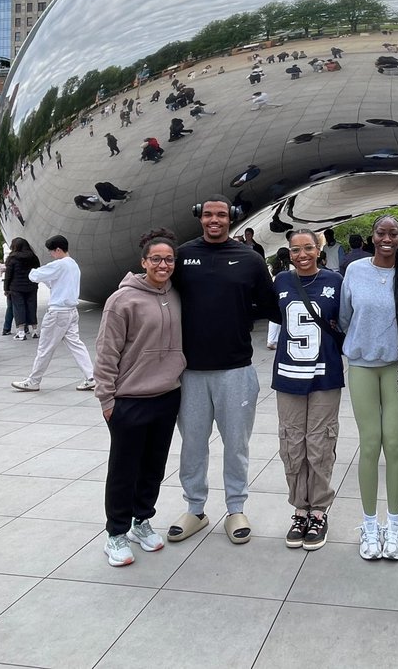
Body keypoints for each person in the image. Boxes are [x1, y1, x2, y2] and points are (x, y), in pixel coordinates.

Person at [167, 197, 280, 547]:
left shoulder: (250, 259)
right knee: (193, 445)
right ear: (199, 216)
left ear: (230, 218)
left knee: (236, 445)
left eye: (221, 214)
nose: (214, 220)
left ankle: (236, 508)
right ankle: (195, 509)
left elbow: (271, 306)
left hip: (236, 370)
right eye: (208, 214)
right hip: (191, 371)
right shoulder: (182, 256)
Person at [339, 215, 398, 561]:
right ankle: (369, 524)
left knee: (394, 444)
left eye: (393, 233)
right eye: (381, 232)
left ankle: (394, 524)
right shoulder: (356, 271)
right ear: (372, 236)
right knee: (369, 444)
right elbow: (346, 317)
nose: (386, 238)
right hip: (362, 365)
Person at [95, 230, 186, 567]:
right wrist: (107, 400)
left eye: (169, 259)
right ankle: (116, 533)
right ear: (144, 261)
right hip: (129, 399)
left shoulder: (175, 294)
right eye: (156, 259)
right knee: (124, 469)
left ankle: (141, 520)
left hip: (167, 395)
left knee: (152, 466)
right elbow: (106, 352)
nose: (163, 264)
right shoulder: (122, 300)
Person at [272, 229, 345, 552]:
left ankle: (318, 509)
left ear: (318, 249)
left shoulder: (335, 282)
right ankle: (299, 508)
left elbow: (347, 321)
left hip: (324, 375)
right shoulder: (281, 283)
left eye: (307, 248)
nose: (301, 255)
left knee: (320, 442)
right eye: (294, 250)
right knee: (291, 442)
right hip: (288, 374)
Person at [12, 236, 96, 392]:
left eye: (52, 251)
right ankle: (91, 377)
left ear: (58, 250)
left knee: (45, 348)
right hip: (71, 310)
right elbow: (54, 283)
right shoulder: (73, 265)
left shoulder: (60, 264)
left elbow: (34, 276)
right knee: (76, 344)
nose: (51, 254)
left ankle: (34, 380)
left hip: (58, 312)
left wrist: (31, 270)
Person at [4, 237, 40, 340]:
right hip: (31, 286)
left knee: (19, 308)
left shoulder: (12, 258)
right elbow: (38, 270)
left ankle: (21, 332)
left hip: (16, 287)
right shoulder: (33, 257)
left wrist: (6, 289)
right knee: (32, 307)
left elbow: (8, 275)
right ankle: (35, 330)